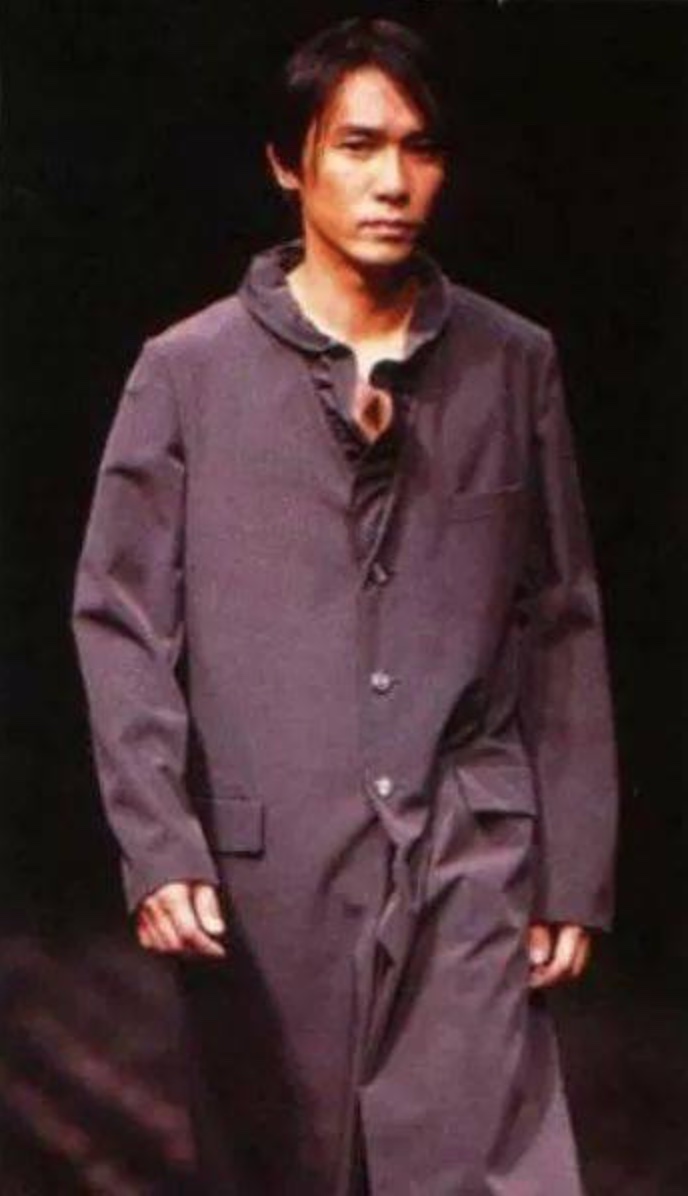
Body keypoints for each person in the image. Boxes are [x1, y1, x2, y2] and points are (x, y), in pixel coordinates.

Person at [72, 16, 618, 1195]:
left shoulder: (511, 363)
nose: (392, 181)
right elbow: (119, 620)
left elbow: (561, 613)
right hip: (267, 876)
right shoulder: (189, 372)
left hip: (467, 851)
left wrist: (572, 862)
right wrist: (158, 844)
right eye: (358, 145)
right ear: (289, 162)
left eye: (419, 148)